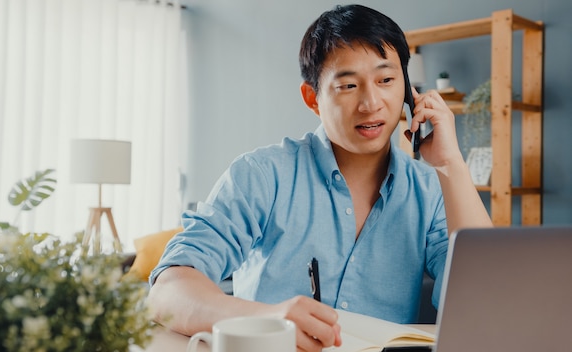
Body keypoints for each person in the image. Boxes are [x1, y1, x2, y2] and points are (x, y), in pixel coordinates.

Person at [147, 4, 492, 351]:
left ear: (407, 91)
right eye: (348, 85)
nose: (371, 103)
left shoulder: (429, 190)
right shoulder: (263, 175)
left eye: (386, 80)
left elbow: (490, 303)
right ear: (313, 98)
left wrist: (451, 165)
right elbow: (167, 292)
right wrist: (267, 320)